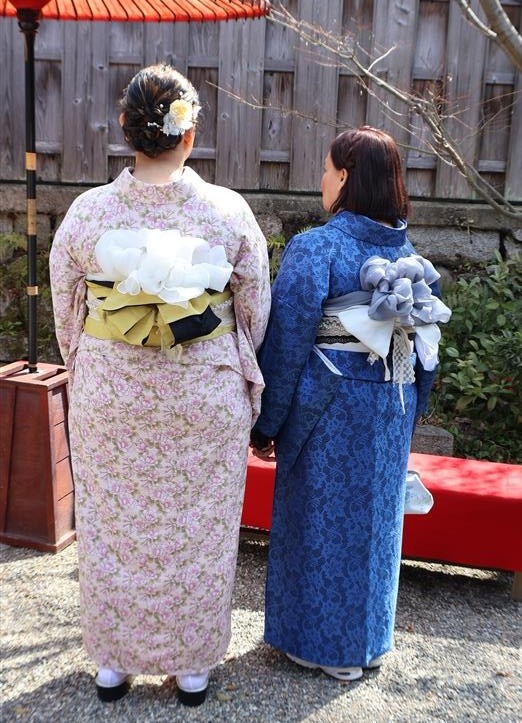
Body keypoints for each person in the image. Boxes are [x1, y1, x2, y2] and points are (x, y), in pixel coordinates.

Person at [49, 64, 270, 706]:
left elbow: (67, 310)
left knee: (112, 523)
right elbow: (254, 308)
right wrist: (234, 364)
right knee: (198, 526)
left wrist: (91, 361)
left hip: (111, 392)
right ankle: (192, 666)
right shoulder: (226, 211)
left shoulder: (89, 212)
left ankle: (113, 663)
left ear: (126, 129)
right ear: (189, 134)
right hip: (203, 391)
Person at [250, 126, 450, 681]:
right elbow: (426, 351)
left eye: (325, 169)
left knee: (319, 521)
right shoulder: (410, 257)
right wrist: (412, 409)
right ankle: (368, 642)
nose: (321, 179)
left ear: (345, 177)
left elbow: (287, 345)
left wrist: (266, 423)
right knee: (376, 526)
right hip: (391, 403)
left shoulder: (318, 248)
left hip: (329, 408)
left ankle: (322, 647)